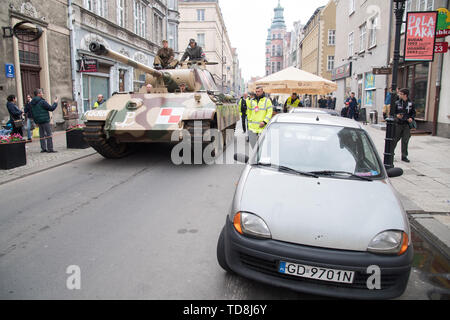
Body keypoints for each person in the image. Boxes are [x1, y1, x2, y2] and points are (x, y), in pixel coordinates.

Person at [30, 88, 59, 153]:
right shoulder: (42, 102)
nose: (43, 94)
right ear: (38, 94)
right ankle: (50, 148)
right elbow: (51, 108)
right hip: (45, 120)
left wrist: (36, 121)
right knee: (49, 134)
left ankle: (43, 148)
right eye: (41, 93)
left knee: (42, 135)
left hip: (38, 121)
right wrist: (55, 103)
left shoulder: (32, 102)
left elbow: (32, 112)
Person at [392, 88, 416, 163]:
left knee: (405, 140)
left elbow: (413, 113)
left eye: (401, 94)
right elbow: (392, 113)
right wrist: (397, 116)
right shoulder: (397, 103)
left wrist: (411, 118)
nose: (399, 95)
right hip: (398, 124)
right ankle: (391, 155)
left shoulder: (411, 103)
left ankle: (404, 156)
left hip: (406, 125)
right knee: (395, 140)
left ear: (405, 95)